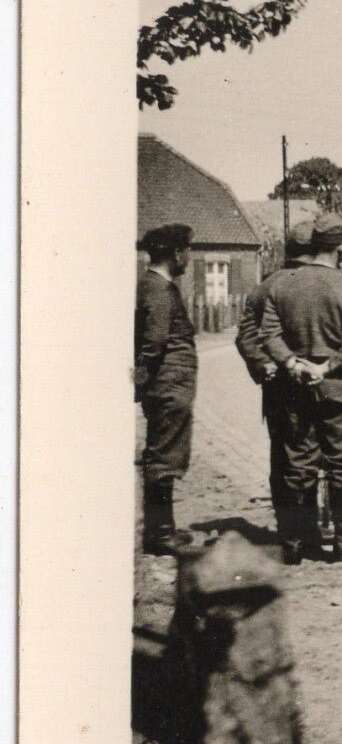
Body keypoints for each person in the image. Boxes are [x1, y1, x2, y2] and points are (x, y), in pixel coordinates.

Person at [258, 213, 342, 563]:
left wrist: (293, 364)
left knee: (298, 462)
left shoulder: (282, 285)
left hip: (294, 388)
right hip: (340, 390)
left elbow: (268, 335)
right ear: (340, 246)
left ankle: (294, 545)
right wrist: (327, 366)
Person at [237, 220, 314, 522]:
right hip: (315, 380)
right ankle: (308, 527)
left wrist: (263, 363)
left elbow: (244, 334)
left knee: (281, 455)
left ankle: (288, 529)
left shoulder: (265, 286)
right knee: (310, 454)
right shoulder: (324, 282)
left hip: (277, 385)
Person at [134, 223, 198, 555]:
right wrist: (141, 385)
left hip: (170, 385)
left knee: (165, 454)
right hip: (168, 386)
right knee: (163, 456)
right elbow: (154, 344)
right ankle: (159, 534)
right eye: (187, 249)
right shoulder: (158, 290)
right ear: (176, 253)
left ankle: (164, 528)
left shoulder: (157, 286)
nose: (189, 256)